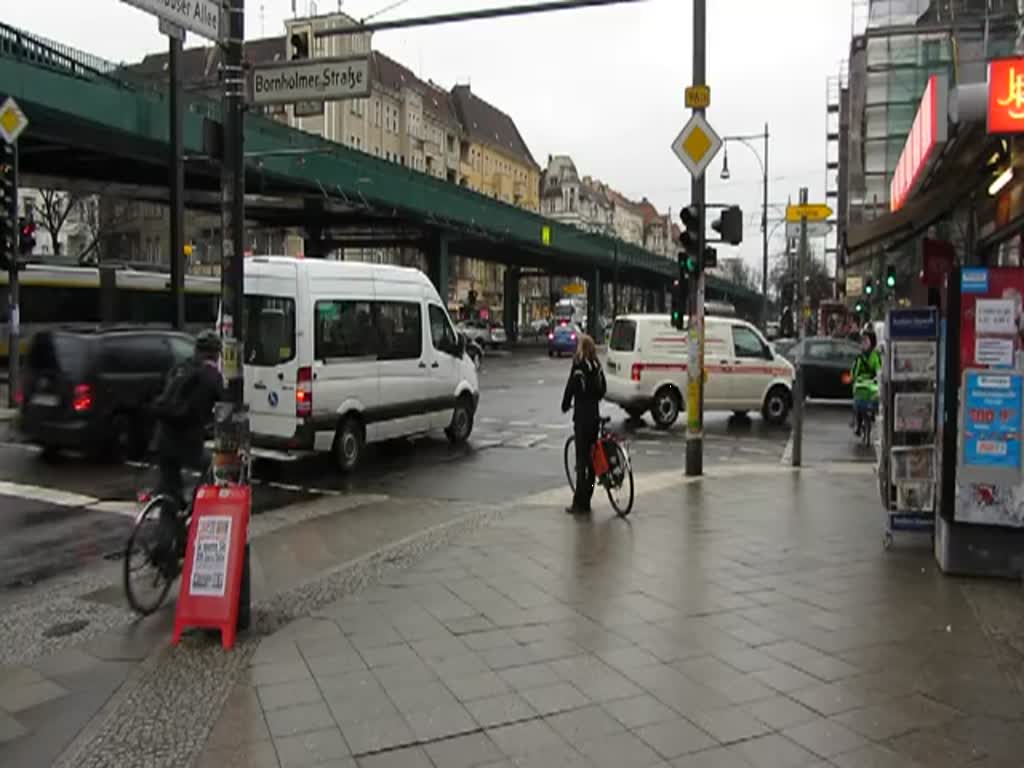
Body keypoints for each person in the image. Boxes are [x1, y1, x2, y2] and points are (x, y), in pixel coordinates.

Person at [152, 330, 225, 560]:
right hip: (187, 443)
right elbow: (225, 409)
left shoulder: (179, 368)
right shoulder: (211, 377)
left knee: (168, 495)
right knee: (211, 466)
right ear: (216, 354)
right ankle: (195, 508)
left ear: (196, 350)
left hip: (162, 440)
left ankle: (165, 548)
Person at [561, 333, 606, 515]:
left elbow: (570, 387)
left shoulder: (579, 365)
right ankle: (588, 497)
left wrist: (565, 405)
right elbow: (603, 390)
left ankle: (579, 503)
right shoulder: (596, 365)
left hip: (581, 418)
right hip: (594, 417)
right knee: (592, 461)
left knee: (581, 463)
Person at [850, 328, 882, 436]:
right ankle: (858, 424)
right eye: (862, 341)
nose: (863, 343)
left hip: (872, 384)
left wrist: (878, 379)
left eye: (866, 341)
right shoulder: (859, 357)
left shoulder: (875, 356)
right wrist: (853, 379)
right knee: (858, 403)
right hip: (861, 384)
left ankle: (872, 417)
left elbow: (879, 370)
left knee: (875, 400)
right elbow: (854, 372)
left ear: (872, 342)